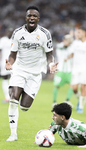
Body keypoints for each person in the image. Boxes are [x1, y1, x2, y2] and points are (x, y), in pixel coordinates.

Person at [5, 6, 58, 141]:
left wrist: (51, 64)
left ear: (38, 19)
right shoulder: (17, 33)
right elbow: (13, 54)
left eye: (34, 16)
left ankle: (22, 96)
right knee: (13, 99)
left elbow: (49, 54)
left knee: (24, 107)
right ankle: (13, 134)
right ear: (26, 18)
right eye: (29, 16)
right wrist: (10, 63)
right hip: (19, 70)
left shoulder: (45, 34)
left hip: (35, 74)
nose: (32, 18)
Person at [65, 27, 86, 113]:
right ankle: (80, 99)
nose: (77, 34)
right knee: (74, 88)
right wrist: (67, 58)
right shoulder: (75, 43)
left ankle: (80, 106)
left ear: (84, 33)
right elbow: (72, 54)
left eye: (79, 32)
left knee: (83, 87)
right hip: (75, 68)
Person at [52, 34, 74, 107]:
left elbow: (72, 54)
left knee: (73, 85)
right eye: (66, 40)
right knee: (56, 86)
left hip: (69, 70)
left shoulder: (71, 47)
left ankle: (67, 100)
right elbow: (64, 46)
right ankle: (54, 102)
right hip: (60, 70)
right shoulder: (60, 45)